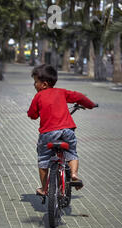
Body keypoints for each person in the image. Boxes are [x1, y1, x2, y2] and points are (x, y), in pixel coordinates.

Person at [27, 64, 97, 196]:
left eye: (35, 81)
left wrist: (32, 115)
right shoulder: (62, 92)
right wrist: (91, 105)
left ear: (44, 84)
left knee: (43, 159)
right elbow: (80, 97)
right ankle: (74, 174)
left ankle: (44, 188)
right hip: (68, 131)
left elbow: (32, 114)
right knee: (72, 153)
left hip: (48, 134)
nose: (34, 84)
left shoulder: (38, 97)